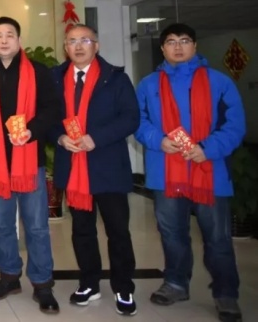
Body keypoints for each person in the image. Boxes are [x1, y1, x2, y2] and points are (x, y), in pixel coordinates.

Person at [135, 23, 245, 322]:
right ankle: (175, 283)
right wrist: (158, 140)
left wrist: (207, 148)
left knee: (217, 237)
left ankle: (226, 293)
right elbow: (138, 120)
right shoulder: (148, 84)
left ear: (195, 46)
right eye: (171, 42)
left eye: (184, 41)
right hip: (165, 171)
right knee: (172, 233)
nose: (178, 46)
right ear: (162, 49)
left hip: (209, 170)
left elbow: (235, 125)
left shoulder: (219, 82)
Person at [0, 16, 63, 314]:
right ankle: (9, 276)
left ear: (19, 40)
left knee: (36, 226)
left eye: (9, 34)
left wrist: (31, 131)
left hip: (29, 159)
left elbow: (53, 109)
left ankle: (42, 283)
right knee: (2, 224)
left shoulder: (38, 72)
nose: (4, 40)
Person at [49, 24, 139, 316]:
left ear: (96, 46)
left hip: (108, 167)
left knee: (118, 231)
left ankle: (123, 286)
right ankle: (89, 282)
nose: (78, 46)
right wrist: (59, 137)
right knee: (81, 231)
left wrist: (95, 138)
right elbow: (46, 118)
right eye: (72, 41)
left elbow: (131, 118)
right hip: (73, 166)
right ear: (66, 47)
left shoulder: (116, 78)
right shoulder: (55, 78)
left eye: (85, 41)